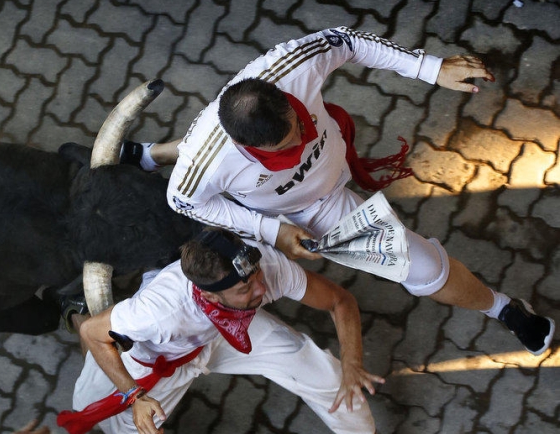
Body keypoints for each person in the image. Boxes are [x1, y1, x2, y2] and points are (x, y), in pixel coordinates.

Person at [122, 26, 554, 356]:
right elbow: (181, 199)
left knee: (203, 152)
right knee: (421, 269)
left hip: (331, 163)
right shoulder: (208, 162)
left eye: (297, 128)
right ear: (246, 148)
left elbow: (345, 39)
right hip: (311, 210)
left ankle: (150, 153)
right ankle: (503, 308)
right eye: (283, 149)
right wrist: (271, 231)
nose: (300, 143)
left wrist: (430, 68)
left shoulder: (292, 66)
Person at [58, 227, 444, 434]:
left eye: (258, 275)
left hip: (232, 330)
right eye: (246, 288)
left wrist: (352, 360)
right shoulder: (157, 312)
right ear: (208, 296)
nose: (263, 288)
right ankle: (75, 306)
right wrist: (134, 395)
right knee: (121, 430)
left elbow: (339, 301)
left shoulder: (263, 269)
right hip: (162, 355)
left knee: (326, 376)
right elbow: (94, 334)